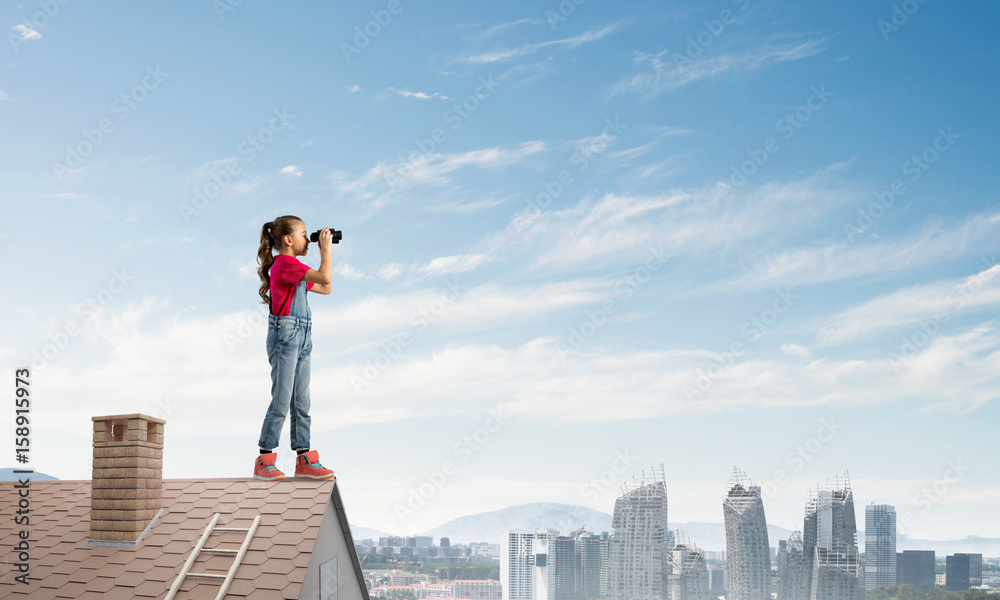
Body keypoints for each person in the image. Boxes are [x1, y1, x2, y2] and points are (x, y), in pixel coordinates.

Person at [253, 215, 335, 481]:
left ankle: (304, 459)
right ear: (288, 240)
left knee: (302, 400)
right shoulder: (286, 263)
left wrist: (325, 254)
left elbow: (326, 287)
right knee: (282, 399)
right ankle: (264, 460)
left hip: (302, 335)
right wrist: (325, 250)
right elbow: (324, 275)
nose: (307, 238)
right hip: (286, 335)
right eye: (303, 233)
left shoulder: (296, 269)